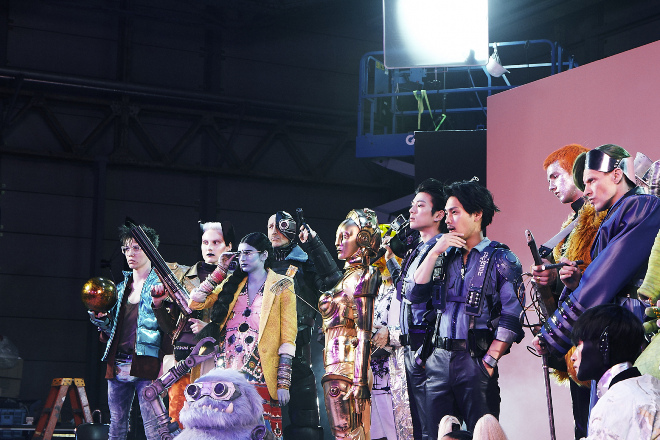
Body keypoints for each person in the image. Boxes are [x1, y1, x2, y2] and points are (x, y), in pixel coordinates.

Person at [411, 179, 525, 435]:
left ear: (477, 214)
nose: (448, 220)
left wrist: (490, 361)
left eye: (455, 212)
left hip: (476, 360)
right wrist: (434, 252)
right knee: (436, 435)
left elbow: (512, 315)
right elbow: (414, 294)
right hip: (438, 360)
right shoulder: (442, 254)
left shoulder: (502, 258)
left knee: (483, 433)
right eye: (447, 213)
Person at [534, 144, 660, 357]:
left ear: (617, 175)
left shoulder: (642, 207)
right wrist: (576, 281)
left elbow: (604, 277)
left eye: (592, 180)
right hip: (617, 326)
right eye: (584, 184)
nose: (586, 191)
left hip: (633, 328)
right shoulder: (621, 211)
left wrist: (554, 332)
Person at [531, 144, 604, 439]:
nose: (551, 186)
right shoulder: (568, 227)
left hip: (600, 339)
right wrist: (548, 280)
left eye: (556, 176)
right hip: (576, 342)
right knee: (582, 425)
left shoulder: (603, 217)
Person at [193, 232, 297, 440]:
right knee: (226, 427)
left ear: (264, 255)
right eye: (240, 254)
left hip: (260, 367)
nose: (242, 258)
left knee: (259, 430)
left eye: (248, 253)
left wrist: (283, 383)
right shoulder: (233, 283)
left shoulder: (282, 284)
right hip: (228, 366)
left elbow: (288, 337)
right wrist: (220, 271)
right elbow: (196, 302)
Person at [150, 220, 235, 428]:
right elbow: (170, 329)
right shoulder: (182, 276)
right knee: (178, 422)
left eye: (216, 242)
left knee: (214, 424)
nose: (209, 247)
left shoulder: (236, 280)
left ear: (229, 246)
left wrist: (210, 329)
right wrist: (158, 305)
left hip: (218, 362)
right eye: (205, 242)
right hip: (183, 360)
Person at [267, 211, 342, 439]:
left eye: (280, 225)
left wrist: (313, 243)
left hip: (299, 351)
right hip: (264, 353)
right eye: (270, 226)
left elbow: (334, 282)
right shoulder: (261, 263)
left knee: (306, 424)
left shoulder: (305, 261)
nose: (274, 231)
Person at [383, 178, 447, 440]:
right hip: (412, 349)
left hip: (428, 349)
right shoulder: (418, 249)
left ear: (439, 214)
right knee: (419, 426)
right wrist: (390, 261)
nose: (411, 210)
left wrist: (424, 353)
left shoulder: (442, 249)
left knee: (435, 426)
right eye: (412, 205)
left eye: (420, 206)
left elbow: (420, 295)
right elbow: (404, 290)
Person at [88, 225, 164, 440]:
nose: (130, 253)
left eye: (136, 248)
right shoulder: (120, 288)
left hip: (147, 363)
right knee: (117, 425)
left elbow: (168, 328)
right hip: (118, 363)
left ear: (150, 250)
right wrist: (101, 319)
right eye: (126, 249)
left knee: (154, 427)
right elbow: (111, 331)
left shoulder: (161, 286)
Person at [320, 208, 381, 440]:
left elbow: (364, 331)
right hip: (334, 366)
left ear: (363, 239)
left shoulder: (365, 275)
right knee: (342, 433)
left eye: (345, 236)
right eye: (338, 236)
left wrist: (360, 380)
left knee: (350, 433)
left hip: (349, 368)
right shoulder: (346, 278)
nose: (338, 242)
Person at [570, 304, 660, 439]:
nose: (573, 357)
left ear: (603, 344)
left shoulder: (614, 403)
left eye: (579, 345)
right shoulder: (652, 386)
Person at [370, 246, 413, 440]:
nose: (380, 260)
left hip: (397, 373)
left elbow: (417, 327)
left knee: (400, 431)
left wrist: (390, 335)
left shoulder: (406, 286)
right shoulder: (376, 287)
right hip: (374, 375)